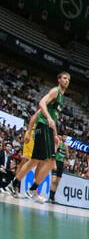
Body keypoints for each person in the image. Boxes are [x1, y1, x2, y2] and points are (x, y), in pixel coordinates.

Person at [26, 72, 71, 203]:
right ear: (58, 80)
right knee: (36, 161)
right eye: (64, 78)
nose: (66, 81)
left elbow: (53, 119)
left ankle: (28, 188)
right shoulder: (55, 91)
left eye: (68, 79)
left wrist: (55, 133)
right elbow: (41, 103)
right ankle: (24, 186)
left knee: (44, 162)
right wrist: (29, 131)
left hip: (49, 129)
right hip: (44, 126)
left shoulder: (61, 97)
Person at [3, 111, 39, 196]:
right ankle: (15, 187)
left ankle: (14, 187)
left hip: (35, 135)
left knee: (26, 162)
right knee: (27, 161)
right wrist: (29, 132)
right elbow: (33, 118)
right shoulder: (45, 105)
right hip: (33, 135)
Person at [49, 135, 69, 203]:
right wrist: (54, 164)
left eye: (66, 137)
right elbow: (54, 154)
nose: (65, 138)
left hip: (61, 164)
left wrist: (66, 148)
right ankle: (50, 197)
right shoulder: (58, 144)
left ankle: (53, 197)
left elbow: (67, 156)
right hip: (56, 162)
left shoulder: (66, 146)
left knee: (57, 182)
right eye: (64, 137)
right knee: (53, 180)